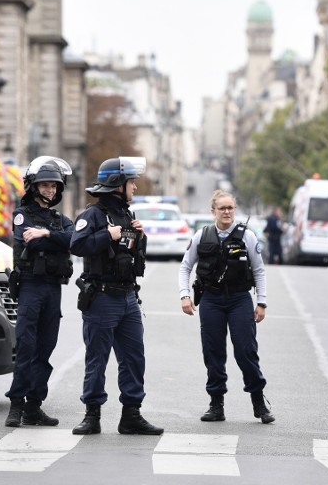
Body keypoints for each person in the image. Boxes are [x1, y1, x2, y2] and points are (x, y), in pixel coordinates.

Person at [70, 157, 163, 436]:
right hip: (102, 298)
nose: (135, 186)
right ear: (116, 185)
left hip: (128, 298)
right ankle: (92, 415)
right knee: (97, 359)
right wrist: (106, 236)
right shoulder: (92, 216)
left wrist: (140, 237)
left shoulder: (127, 216)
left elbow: (133, 256)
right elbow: (77, 245)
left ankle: (131, 415)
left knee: (134, 358)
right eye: (131, 182)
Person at [178, 190, 274, 424]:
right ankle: (216, 404)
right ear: (213, 211)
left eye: (230, 207)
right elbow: (185, 267)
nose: (227, 212)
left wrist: (261, 302)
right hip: (211, 299)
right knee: (213, 352)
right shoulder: (203, 235)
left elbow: (259, 271)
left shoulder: (247, 237)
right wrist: (184, 295)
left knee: (246, 350)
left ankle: (258, 402)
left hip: (239, 299)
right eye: (222, 208)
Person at [5, 156, 75, 427]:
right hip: (31, 287)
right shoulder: (22, 215)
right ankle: (16, 405)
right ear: (33, 187)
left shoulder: (60, 219)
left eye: (54, 186)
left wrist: (45, 235)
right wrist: (53, 239)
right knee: (26, 346)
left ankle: (34, 407)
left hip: (52, 289)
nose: (50, 190)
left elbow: (75, 240)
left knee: (45, 349)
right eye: (45, 185)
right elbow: (27, 241)